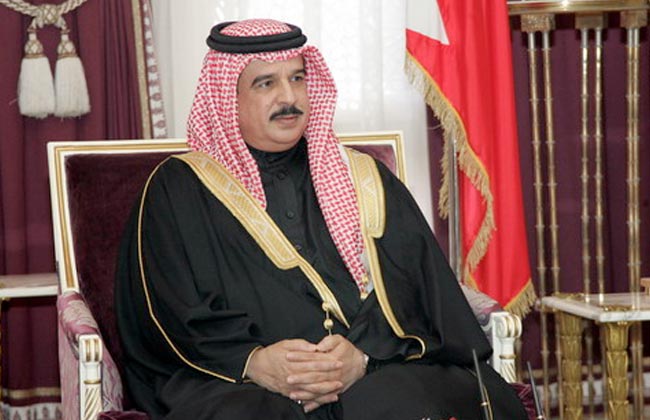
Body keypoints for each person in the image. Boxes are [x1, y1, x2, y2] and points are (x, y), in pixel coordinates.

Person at [115, 19, 528, 420]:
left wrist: (363, 355)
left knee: (415, 400)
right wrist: (254, 362)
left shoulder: (362, 177)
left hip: (372, 370)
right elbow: (167, 312)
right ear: (227, 98)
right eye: (266, 83)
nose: (288, 97)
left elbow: (419, 288)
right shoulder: (178, 190)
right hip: (240, 381)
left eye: (297, 78)